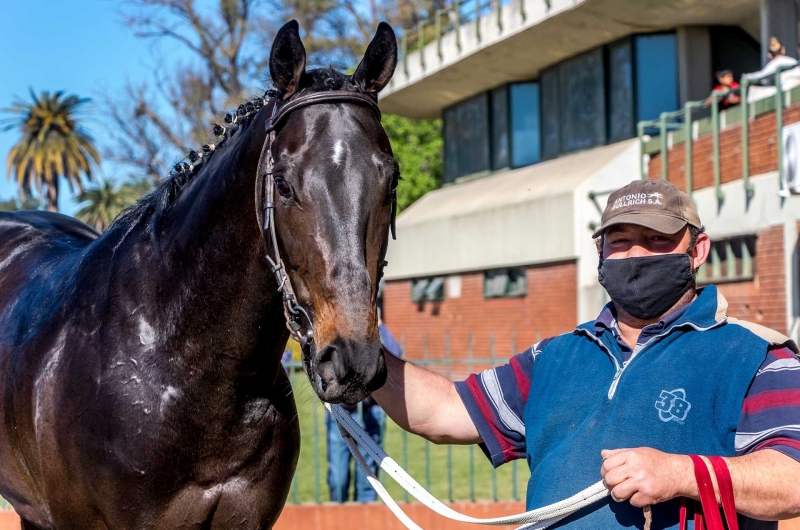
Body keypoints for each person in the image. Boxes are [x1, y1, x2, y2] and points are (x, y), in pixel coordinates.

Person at [373, 179, 800, 529]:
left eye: (656, 240)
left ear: (697, 250)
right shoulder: (555, 357)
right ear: (601, 252)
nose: (635, 255)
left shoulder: (757, 354)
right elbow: (445, 411)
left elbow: (792, 479)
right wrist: (358, 344)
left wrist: (681, 474)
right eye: (620, 240)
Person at [326, 316, 401, 502]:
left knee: (368, 482)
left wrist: (380, 324)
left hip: (369, 414)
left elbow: (397, 351)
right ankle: (340, 519)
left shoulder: (371, 334)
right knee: (338, 480)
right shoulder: (334, 332)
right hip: (341, 414)